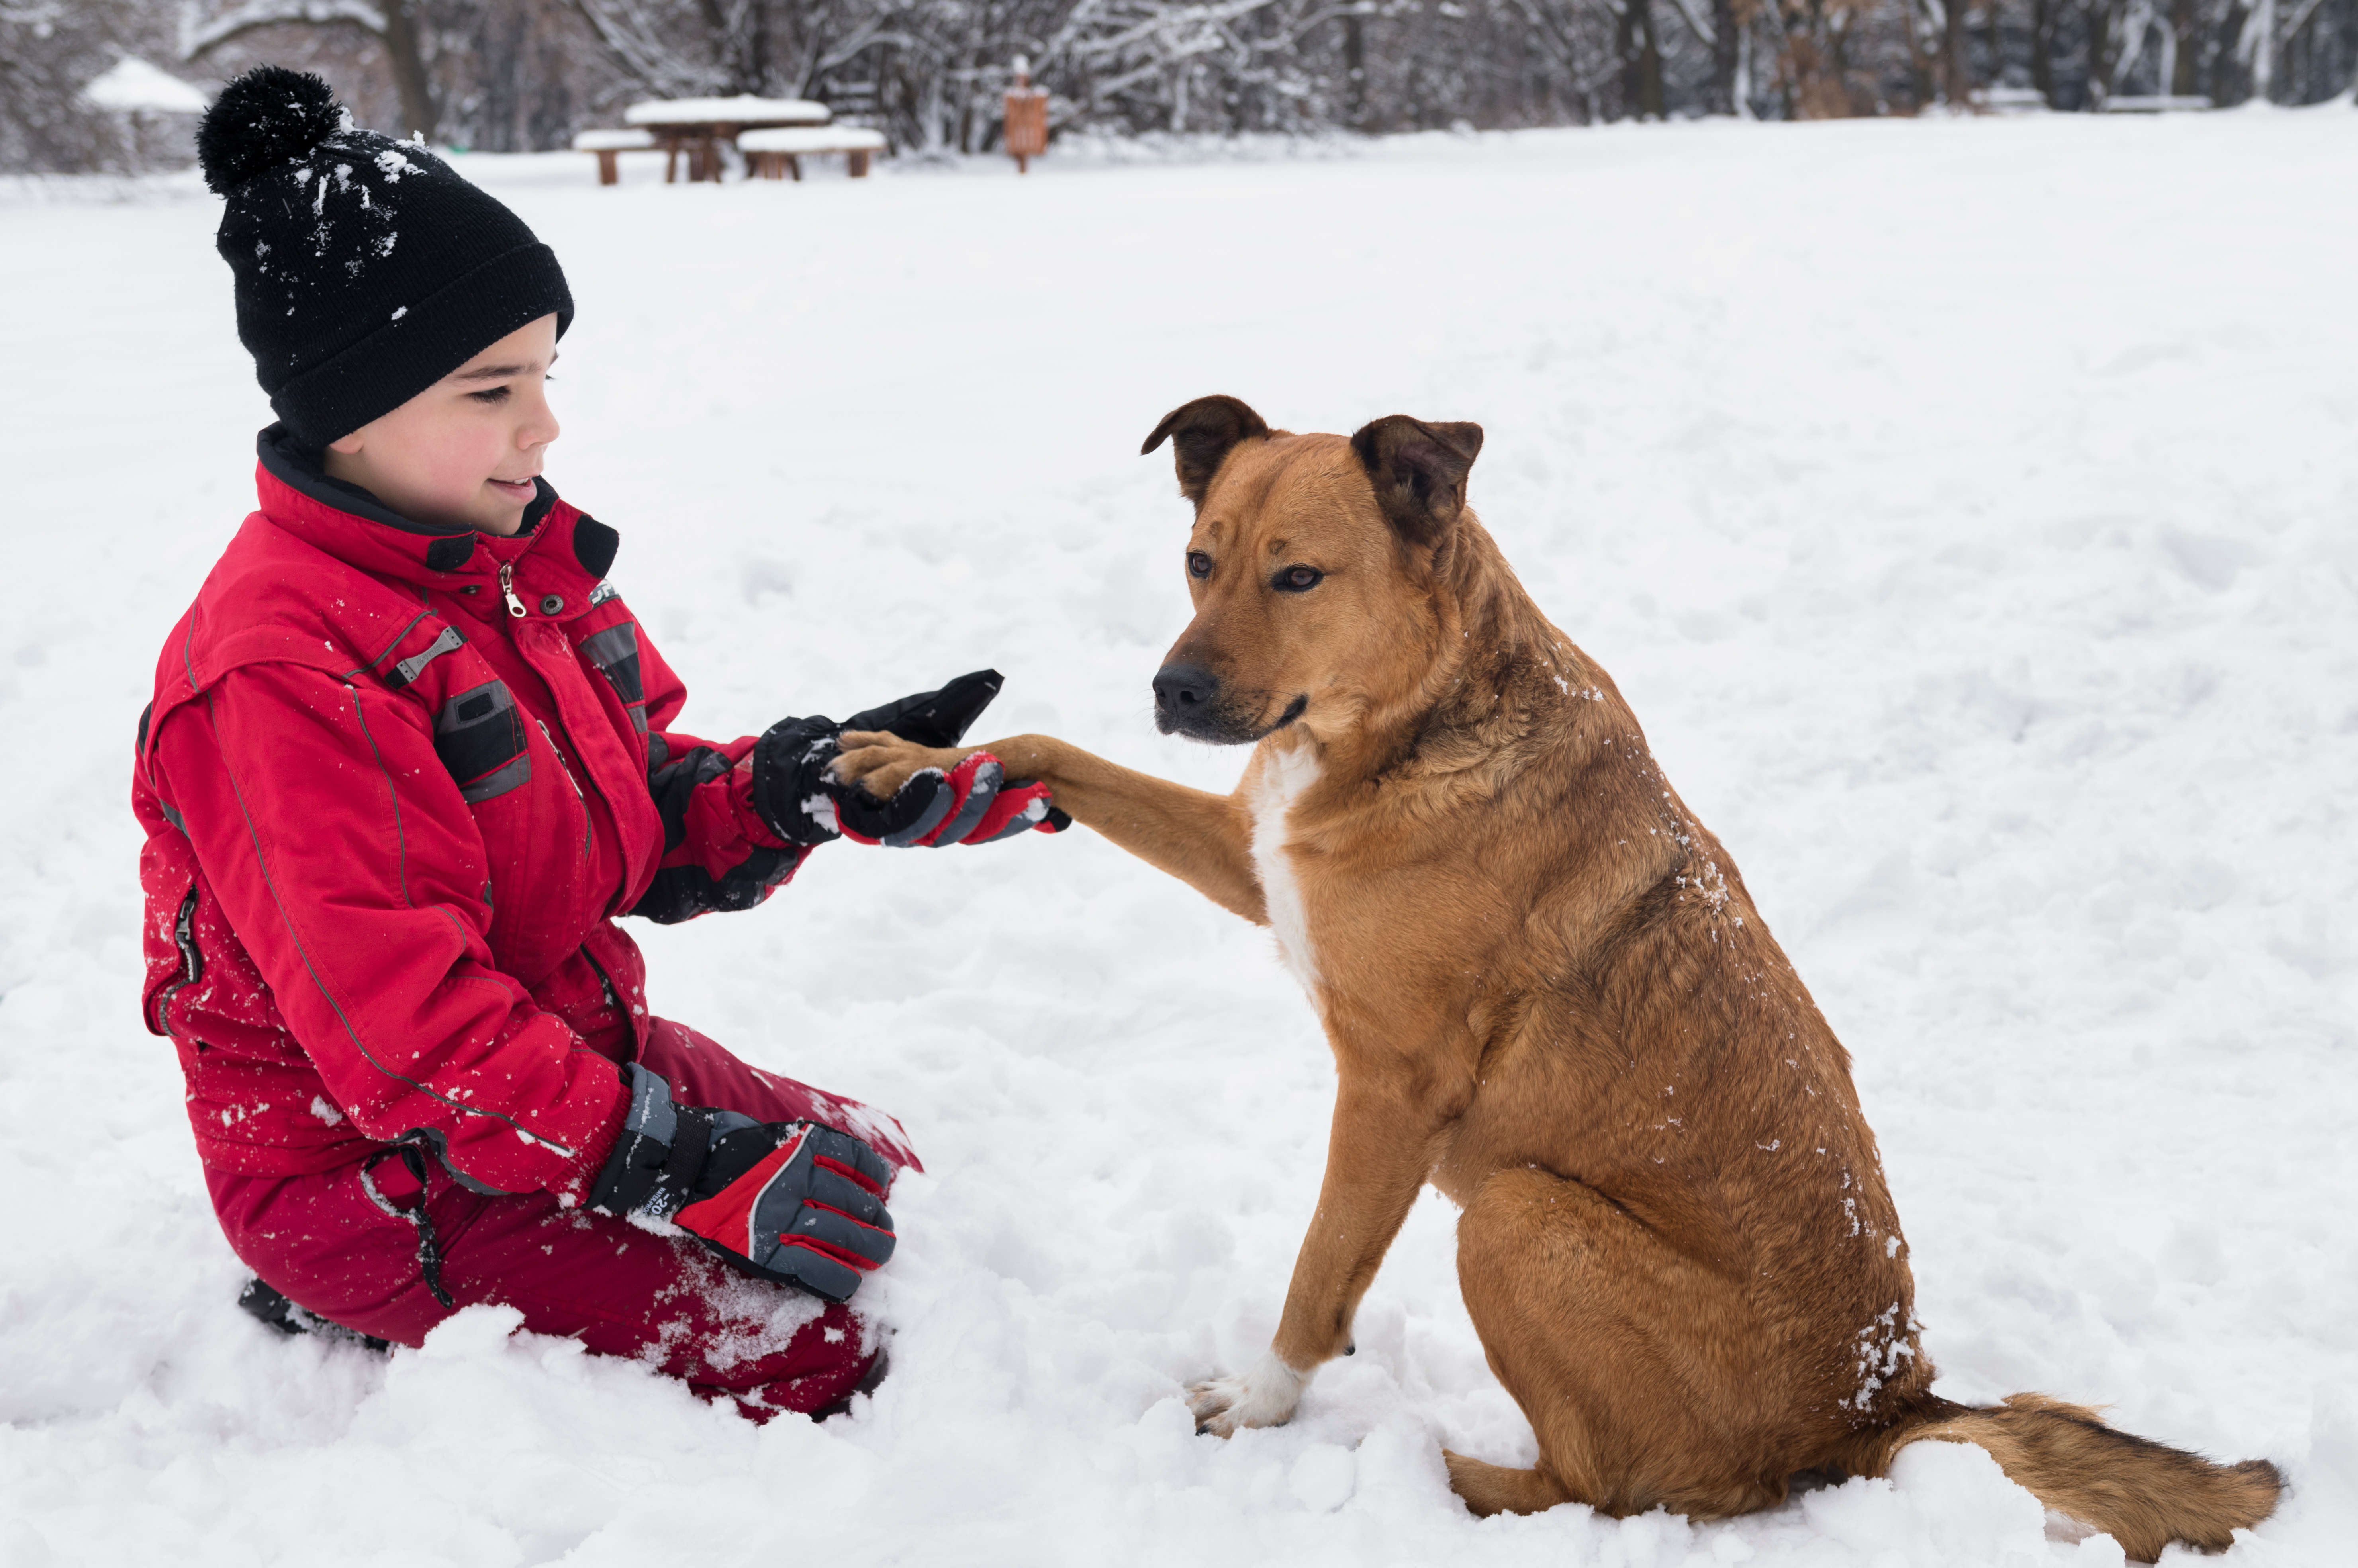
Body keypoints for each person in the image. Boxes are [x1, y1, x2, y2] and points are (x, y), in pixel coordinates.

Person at [133, 66, 1062, 1420]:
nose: (545, 423)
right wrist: (677, 1161)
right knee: (817, 1353)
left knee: (880, 1180)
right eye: (491, 386)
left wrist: (817, 788)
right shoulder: (281, 671)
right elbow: (405, 1040)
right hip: (370, 1166)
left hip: (569, 1059)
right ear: (350, 407)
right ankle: (335, 1289)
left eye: (546, 372)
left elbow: (633, 810)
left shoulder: (506, 566)